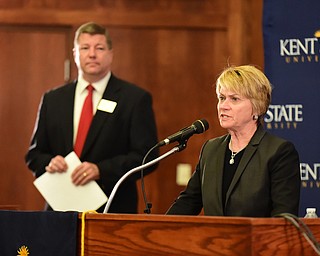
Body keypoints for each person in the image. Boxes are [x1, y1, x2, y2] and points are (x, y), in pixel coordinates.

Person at [25, 22, 159, 213]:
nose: (92, 54)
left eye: (100, 48)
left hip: (112, 209)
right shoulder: (52, 99)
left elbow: (148, 157)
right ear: (75, 54)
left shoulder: (134, 99)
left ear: (111, 54)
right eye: (85, 48)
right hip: (60, 209)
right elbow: (34, 155)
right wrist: (49, 162)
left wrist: (101, 170)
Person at [166, 65, 301, 217]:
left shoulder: (279, 152)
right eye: (221, 98)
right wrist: (157, 230)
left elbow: (284, 217)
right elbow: (188, 202)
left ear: (257, 107)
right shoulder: (211, 149)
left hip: (256, 240)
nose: (223, 106)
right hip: (213, 240)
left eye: (234, 99)